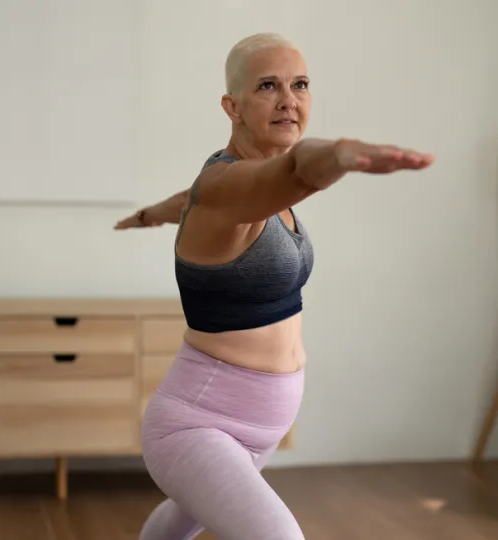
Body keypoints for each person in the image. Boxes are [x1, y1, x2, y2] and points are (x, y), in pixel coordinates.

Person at [114, 32, 434, 540]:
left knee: (180, 523)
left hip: (259, 429)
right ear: (232, 106)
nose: (289, 100)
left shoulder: (234, 188)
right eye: (269, 86)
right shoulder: (231, 186)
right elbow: (295, 168)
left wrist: (151, 214)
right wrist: (341, 155)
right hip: (197, 427)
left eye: (300, 84)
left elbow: (194, 201)